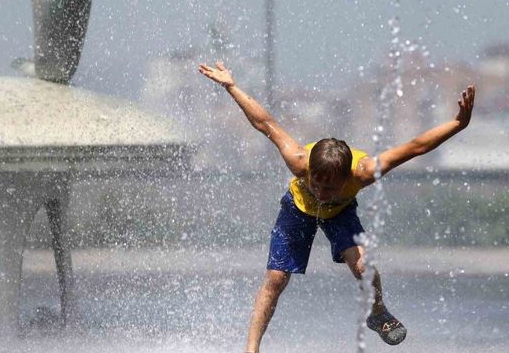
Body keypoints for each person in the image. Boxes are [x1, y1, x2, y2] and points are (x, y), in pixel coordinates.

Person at [198, 61, 475, 353]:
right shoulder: (299, 161)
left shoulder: (364, 171)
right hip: (297, 209)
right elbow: (264, 123)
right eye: (316, 184)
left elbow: (416, 146)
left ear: (347, 177)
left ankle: (377, 311)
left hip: (341, 214)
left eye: (331, 187)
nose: (322, 192)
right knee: (276, 278)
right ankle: (251, 349)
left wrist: (458, 124)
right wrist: (231, 86)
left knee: (363, 266)